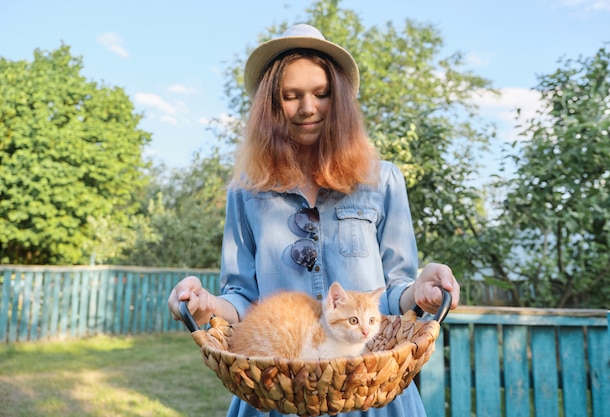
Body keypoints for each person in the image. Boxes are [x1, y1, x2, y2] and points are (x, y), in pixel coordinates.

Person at [168, 23, 460, 417]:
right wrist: (204, 306)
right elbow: (242, 298)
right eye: (291, 96)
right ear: (271, 107)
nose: (308, 108)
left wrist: (422, 287)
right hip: (276, 392)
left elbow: (392, 293)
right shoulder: (246, 190)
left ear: (338, 101)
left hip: (369, 389)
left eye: (321, 94)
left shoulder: (382, 179)